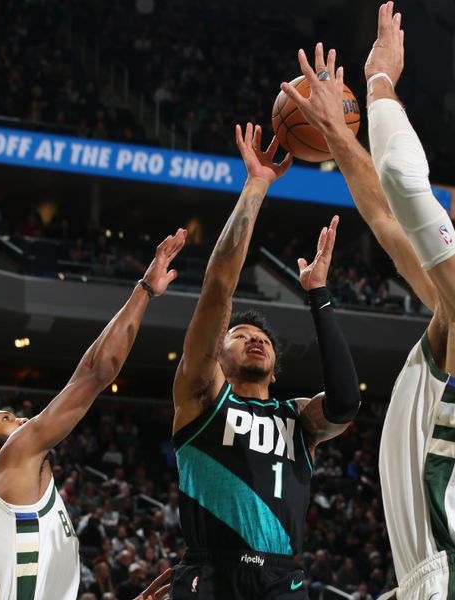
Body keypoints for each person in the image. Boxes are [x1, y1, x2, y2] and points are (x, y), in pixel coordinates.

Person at [279, 4, 455, 598]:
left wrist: (380, 81)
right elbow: (383, 213)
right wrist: (334, 134)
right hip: (447, 575)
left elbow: (404, 181)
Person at [170, 123, 360, 599]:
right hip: (209, 573)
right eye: (240, 335)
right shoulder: (201, 395)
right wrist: (256, 186)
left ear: (276, 370)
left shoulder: (297, 417)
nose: (255, 341)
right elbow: (217, 289)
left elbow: (344, 403)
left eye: (264, 340)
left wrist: (317, 294)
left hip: (280, 577)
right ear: (219, 353)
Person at [0, 229, 187, 600]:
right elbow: (95, 374)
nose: (22, 419)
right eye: (6, 418)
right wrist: (144, 289)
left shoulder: (10, 496)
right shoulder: (10, 459)